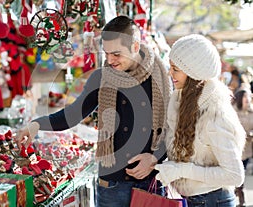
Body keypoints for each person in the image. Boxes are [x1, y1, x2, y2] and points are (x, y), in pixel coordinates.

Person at [15, 15, 172, 207]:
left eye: (116, 54)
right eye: (106, 53)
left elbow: (174, 128)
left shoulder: (161, 78)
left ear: (136, 47)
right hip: (112, 185)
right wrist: (37, 124)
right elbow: (73, 115)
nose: (110, 60)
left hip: (152, 182)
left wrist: (155, 158)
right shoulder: (101, 77)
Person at [154, 34, 246, 207]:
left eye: (175, 69)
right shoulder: (179, 100)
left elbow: (235, 175)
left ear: (192, 73)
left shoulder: (215, 114)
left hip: (214, 200)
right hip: (190, 199)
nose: (169, 73)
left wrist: (181, 170)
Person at [232, 88, 253, 207]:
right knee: (239, 173)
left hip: (248, 149)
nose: (248, 100)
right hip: (235, 150)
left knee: (243, 172)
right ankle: (241, 197)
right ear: (240, 99)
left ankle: (238, 189)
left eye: (249, 97)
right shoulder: (232, 112)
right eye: (245, 97)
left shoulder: (252, 112)